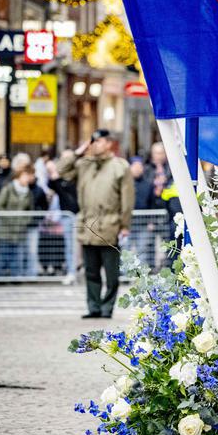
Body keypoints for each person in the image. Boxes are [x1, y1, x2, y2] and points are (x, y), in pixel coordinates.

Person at [59, 129, 134, 319]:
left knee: (111, 275)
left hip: (110, 225)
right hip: (87, 226)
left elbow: (127, 199)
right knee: (90, 272)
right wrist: (78, 151)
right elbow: (61, 170)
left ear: (109, 143)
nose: (95, 144)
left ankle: (107, 308)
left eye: (99, 141)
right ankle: (94, 307)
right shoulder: (84, 164)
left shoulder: (120, 166)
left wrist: (124, 225)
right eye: (93, 141)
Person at [0, 165, 37, 276]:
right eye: (25, 176)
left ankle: (15, 277)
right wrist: (9, 218)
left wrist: (24, 221)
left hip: (19, 229)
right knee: (3, 254)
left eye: (28, 176)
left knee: (17, 255)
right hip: (6, 228)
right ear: (18, 177)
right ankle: (0, 276)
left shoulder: (28, 193)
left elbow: (30, 210)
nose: (27, 179)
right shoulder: (8, 188)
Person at [46, 155, 79, 284]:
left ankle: (81, 271)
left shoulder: (76, 176)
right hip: (67, 217)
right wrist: (53, 174)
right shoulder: (57, 180)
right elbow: (52, 187)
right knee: (70, 246)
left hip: (81, 216)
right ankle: (72, 272)